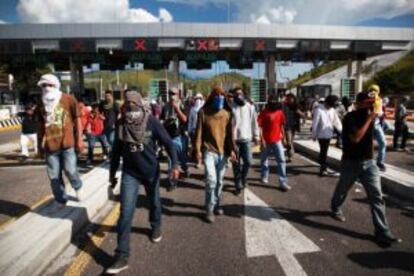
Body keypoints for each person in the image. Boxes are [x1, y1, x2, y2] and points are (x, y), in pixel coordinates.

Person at [107, 91, 180, 274]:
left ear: (140, 104)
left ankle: (155, 226)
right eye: (127, 104)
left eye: (134, 103)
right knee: (125, 213)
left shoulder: (152, 122)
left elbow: (169, 143)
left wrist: (175, 164)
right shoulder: (121, 124)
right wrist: (112, 174)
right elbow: (116, 151)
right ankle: (121, 255)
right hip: (130, 174)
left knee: (154, 203)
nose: (131, 107)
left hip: (150, 172)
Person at [330, 91, 402, 246]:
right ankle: (335, 207)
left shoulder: (372, 118)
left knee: (376, 197)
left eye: (372, 103)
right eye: (368, 103)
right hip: (351, 163)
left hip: (369, 164)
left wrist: (375, 119)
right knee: (342, 190)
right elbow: (355, 138)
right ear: (360, 103)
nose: (371, 105)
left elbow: (376, 138)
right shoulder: (350, 117)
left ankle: (382, 231)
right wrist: (370, 119)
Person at [35, 74, 84, 205]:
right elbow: (40, 126)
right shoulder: (40, 103)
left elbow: (78, 119)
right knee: (54, 177)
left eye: (50, 85)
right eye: (44, 85)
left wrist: (80, 139)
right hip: (50, 148)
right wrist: (39, 147)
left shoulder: (68, 99)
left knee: (70, 170)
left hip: (67, 144)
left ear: (56, 85)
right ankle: (61, 200)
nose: (47, 88)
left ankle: (77, 186)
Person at [195, 86, 235, 223]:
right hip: (209, 152)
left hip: (223, 153)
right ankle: (209, 209)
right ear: (212, 97)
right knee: (211, 180)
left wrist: (233, 150)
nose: (220, 98)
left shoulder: (226, 114)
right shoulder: (203, 113)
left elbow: (230, 135)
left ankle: (217, 203)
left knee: (219, 182)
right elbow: (198, 133)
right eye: (217, 95)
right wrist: (197, 151)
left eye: (222, 95)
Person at [258, 95, 291, 191]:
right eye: (271, 101)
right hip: (266, 140)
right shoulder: (264, 112)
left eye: (275, 101)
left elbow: (281, 125)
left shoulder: (280, 112)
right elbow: (260, 126)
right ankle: (264, 176)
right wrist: (262, 139)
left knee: (281, 160)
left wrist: (283, 138)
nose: (273, 103)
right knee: (264, 160)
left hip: (277, 140)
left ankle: (283, 182)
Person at [231, 87, 260, 195]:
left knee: (248, 161)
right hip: (235, 140)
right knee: (236, 164)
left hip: (247, 139)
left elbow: (254, 122)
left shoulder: (249, 107)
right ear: (234, 96)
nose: (239, 96)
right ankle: (238, 184)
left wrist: (256, 136)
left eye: (240, 93)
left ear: (243, 95)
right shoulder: (231, 107)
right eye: (236, 94)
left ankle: (243, 178)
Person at [160, 87, 189, 191]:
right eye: (170, 93)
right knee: (171, 161)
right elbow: (161, 120)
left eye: (174, 93)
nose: (172, 95)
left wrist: (177, 109)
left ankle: (185, 168)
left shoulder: (183, 104)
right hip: (169, 138)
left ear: (178, 94)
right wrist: (165, 122)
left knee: (182, 159)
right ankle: (172, 182)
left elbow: (185, 119)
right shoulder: (165, 106)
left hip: (180, 137)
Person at [312, 95, 342, 177]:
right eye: (330, 105)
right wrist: (314, 135)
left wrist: (341, 131)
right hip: (321, 135)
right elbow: (315, 123)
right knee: (324, 151)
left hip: (329, 133)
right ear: (327, 103)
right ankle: (323, 168)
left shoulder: (332, 110)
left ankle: (323, 165)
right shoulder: (319, 110)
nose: (330, 107)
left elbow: (336, 121)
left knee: (324, 151)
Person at [368, 85, 387, 172]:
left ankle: (380, 162)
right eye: (372, 90)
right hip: (367, 125)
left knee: (383, 143)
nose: (373, 92)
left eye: (375, 90)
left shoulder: (379, 100)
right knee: (367, 145)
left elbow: (380, 114)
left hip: (376, 125)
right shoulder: (365, 99)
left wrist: (377, 104)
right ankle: (368, 162)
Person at [282, 93, 305, 162]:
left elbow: (303, 115)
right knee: (289, 142)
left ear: (294, 99)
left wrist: (301, 113)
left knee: (291, 141)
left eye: (291, 99)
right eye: (288, 99)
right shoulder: (284, 106)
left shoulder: (297, 106)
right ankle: (291, 155)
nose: (289, 100)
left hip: (294, 126)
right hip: (287, 126)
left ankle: (289, 156)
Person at [188, 93, 204, 165]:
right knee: (195, 145)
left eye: (200, 98)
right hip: (194, 130)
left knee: (201, 146)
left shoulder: (204, 108)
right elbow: (190, 120)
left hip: (203, 130)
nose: (198, 100)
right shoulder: (192, 109)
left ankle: (200, 160)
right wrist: (189, 130)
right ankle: (197, 160)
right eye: (197, 98)